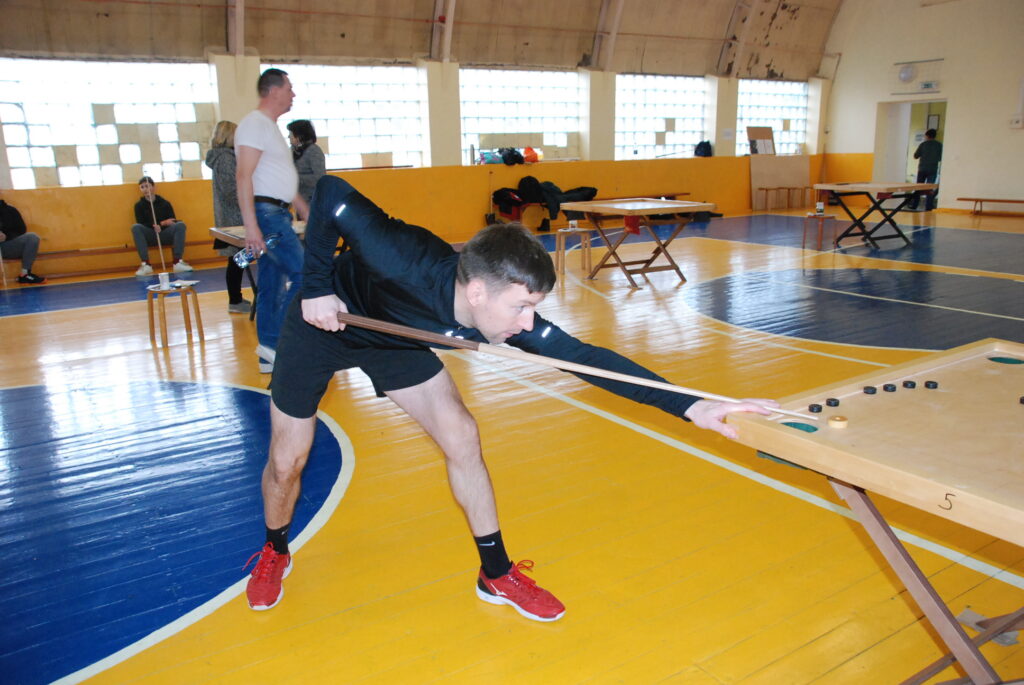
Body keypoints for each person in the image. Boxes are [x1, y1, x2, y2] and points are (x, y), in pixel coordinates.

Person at [242, 175, 778, 620]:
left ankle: (495, 574)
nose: (528, 323)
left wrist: (693, 405)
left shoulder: (497, 309)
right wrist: (317, 285)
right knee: (288, 461)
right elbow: (331, 193)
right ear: (478, 292)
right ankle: (274, 548)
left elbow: (585, 358)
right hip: (325, 323)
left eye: (533, 308)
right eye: (521, 307)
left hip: (397, 340)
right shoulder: (401, 256)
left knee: (462, 435)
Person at [236, 68, 309, 373]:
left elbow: (278, 178)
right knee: (305, 274)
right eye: (289, 88)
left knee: (271, 284)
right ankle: (279, 340)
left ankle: (269, 350)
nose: (293, 94)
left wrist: (303, 208)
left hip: (277, 212)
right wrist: (251, 226)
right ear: (274, 90)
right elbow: (244, 176)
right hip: (267, 216)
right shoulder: (255, 124)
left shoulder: (270, 128)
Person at [206, 121, 251, 314]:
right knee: (237, 260)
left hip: (232, 215)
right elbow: (231, 190)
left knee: (239, 260)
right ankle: (235, 299)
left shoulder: (224, 157)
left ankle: (236, 298)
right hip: (234, 217)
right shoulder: (225, 159)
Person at [131, 177, 193, 276]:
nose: (145, 189)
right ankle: (146, 265)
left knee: (180, 225)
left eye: (147, 186)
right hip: (150, 236)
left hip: (165, 234)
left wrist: (162, 225)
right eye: (142, 187)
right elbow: (141, 223)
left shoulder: (165, 203)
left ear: (153, 187)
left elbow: (172, 221)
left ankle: (177, 262)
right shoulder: (138, 206)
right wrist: (159, 224)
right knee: (136, 227)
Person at [0, 197, 46, 284]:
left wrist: (6, 236)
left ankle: (25, 274)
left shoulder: (10, 210)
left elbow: (21, 229)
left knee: (32, 237)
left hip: (6, 246)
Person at [286, 119, 326, 204]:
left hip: (312, 200)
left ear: (299, 136)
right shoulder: (292, 151)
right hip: (298, 200)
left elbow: (320, 178)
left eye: (291, 134)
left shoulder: (314, 151)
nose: (289, 136)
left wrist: (295, 177)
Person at [907, 128, 942, 211]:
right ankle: (928, 206)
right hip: (933, 169)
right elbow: (940, 157)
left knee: (918, 187)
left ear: (927, 136)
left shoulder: (923, 144)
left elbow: (915, 156)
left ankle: (915, 205)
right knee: (929, 188)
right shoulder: (939, 145)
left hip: (922, 169)